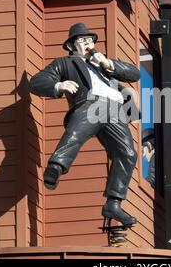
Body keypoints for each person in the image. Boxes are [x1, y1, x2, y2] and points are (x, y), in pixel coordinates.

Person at [28, 23, 140, 226]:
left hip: (114, 110)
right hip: (91, 104)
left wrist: (108, 64)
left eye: (90, 40)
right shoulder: (65, 63)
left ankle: (113, 204)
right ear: (72, 46)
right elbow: (36, 82)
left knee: (128, 153)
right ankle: (56, 166)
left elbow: (134, 74)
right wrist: (58, 85)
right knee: (76, 133)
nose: (87, 43)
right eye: (82, 40)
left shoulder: (105, 66)